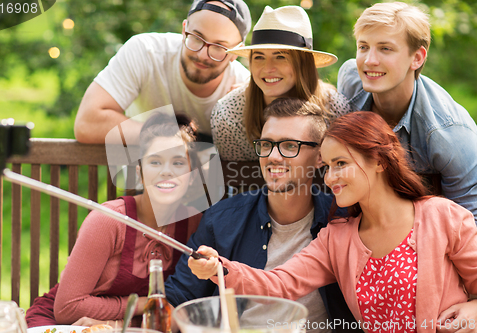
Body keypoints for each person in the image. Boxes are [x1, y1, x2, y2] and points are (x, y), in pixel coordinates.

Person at [189, 111, 477, 333]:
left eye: (341, 164)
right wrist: (220, 268)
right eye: (327, 167)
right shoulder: (336, 239)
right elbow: (279, 284)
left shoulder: (444, 217)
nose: (329, 178)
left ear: (379, 161)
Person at [166, 98, 361, 333]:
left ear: (320, 156)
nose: (273, 157)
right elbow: (176, 302)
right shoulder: (222, 220)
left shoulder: (344, 221)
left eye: (289, 146)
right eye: (267, 144)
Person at [25, 113, 202, 327]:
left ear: (192, 176)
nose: (167, 172)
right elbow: (67, 308)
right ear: (139, 173)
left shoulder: (195, 223)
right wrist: (143, 304)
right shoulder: (109, 220)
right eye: (155, 162)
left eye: (178, 162)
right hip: (64, 325)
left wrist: (116, 324)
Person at [337, 2, 477, 219]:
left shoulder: (449, 133)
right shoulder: (350, 79)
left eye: (385, 48)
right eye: (363, 47)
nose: (369, 61)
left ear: (417, 58)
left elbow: (470, 221)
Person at [74, 0, 251, 145]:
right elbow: (86, 123)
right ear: (183, 30)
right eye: (197, 38)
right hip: (143, 183)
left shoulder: (245, 89)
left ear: (236, 52)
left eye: (219, 47)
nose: (202, 54)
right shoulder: (145, 52)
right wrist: (166, 138)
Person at [210, 5, 352, 161]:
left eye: (280, 57)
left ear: (303, 64)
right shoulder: (228, 115)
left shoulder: (334, 109)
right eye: (259, 57)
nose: (268, 68)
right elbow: (234, 178)